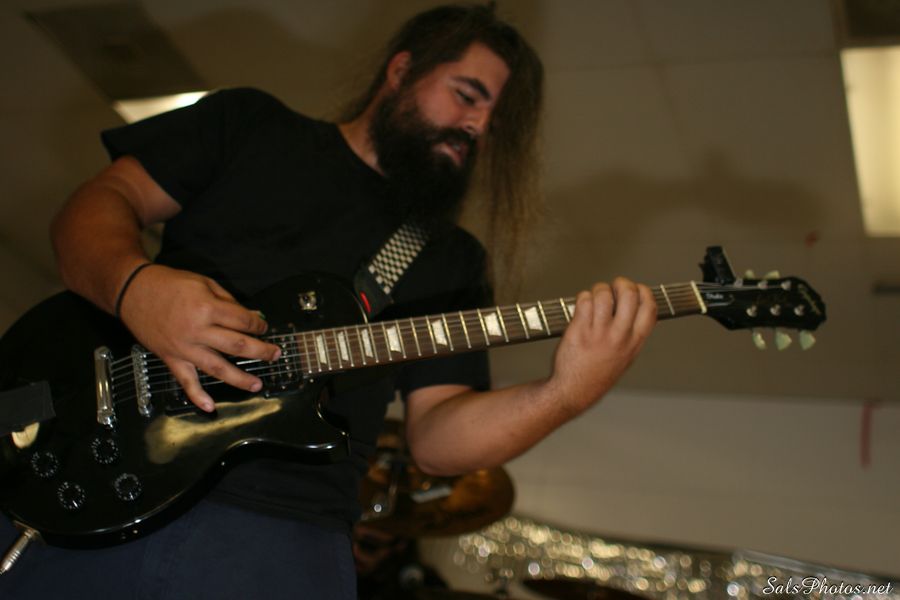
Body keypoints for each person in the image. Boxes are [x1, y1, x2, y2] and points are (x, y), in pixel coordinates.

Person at [0, 4, 656, 599]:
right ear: (401, 71)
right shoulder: (250, 124)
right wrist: (135, 288)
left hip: (282, 534)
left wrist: (564, 394)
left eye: (495, 121)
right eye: (467, 95)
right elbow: (97, 206)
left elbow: (435, 439)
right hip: (97, 471)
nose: (478, 127)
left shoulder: (448, 256)